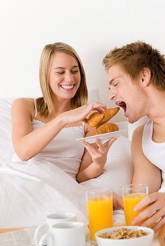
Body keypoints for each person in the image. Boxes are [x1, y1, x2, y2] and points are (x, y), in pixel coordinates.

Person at [103, 41, 165, 230]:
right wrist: (119, 202)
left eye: (115, 84)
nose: (111, 96)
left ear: (143, 77)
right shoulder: (141, 137)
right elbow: (141, 197)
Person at [11, 42, 116, 183]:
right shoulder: (25, 106)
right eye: (60, 72)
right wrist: (63, 119)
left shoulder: (90, 119)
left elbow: (79, 177)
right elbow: (23, 152)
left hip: (59, 189)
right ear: (46, 75)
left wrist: (98, 164)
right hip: (20, 181)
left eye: (74, 71)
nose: (70, 79)